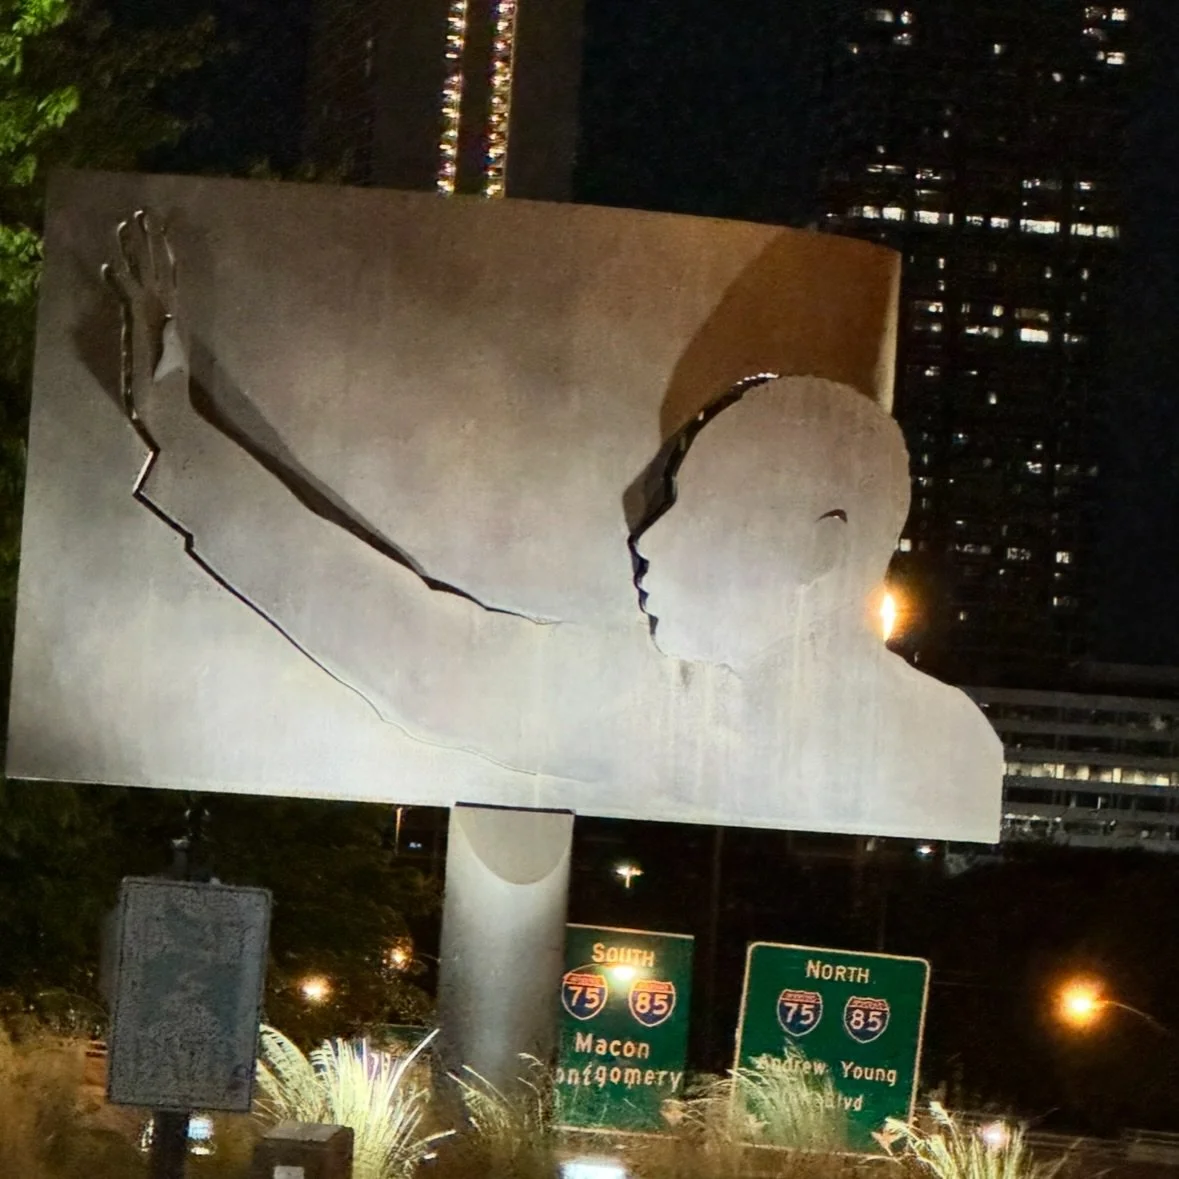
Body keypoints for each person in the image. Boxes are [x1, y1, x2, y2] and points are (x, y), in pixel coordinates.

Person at [103, 211, 1001, 838]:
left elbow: (425, 657)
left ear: (819, 545)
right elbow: (414, 647)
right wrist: (179, 431)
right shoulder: (657, 701)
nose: (648, 542)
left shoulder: (943, 753)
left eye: (698, 513)